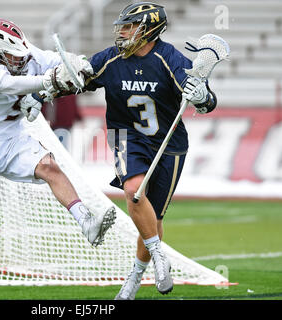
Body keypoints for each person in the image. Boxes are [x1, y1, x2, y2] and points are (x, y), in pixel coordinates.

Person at [0, 17, 116, 300]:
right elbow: (10, 85)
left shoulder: (22, 52)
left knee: (51, 166)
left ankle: (86, 220)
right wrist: (45, 84)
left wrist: (78, 63)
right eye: (11, 55)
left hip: (10, 137)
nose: (19, 58)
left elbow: (53, 61)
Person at [80, 2, 218, 298]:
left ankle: (134, 278)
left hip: (168, 142)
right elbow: (79, 80)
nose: (122, 32)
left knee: (152, 219)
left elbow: (206, 101)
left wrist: (203, 97)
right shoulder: (112, 57)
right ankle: (159, 256)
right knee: (133, 191)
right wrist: (47, 88)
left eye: (129, 26)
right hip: (123, 135)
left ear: (149, 29)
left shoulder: (169, 58)